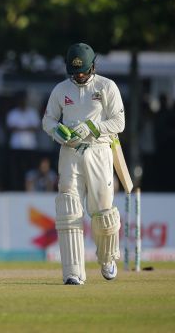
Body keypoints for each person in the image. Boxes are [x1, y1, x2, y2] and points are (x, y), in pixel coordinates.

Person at [42, 42, 125, 285]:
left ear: (93, 66)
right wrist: (58, 131)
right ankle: (73, 272)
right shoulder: (60, 90)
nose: (78, 75)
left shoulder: (106, 87)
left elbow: (119, 122)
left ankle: (107, 258)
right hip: (70, 153)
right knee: (69, 209)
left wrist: (91, 126)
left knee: (103, 212)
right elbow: (47, 120)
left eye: (83, 71)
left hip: (99, 151)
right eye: (74, 71)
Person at [6, 90, 40, 190]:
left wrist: (20, 128)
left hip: (30, 146)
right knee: (16, 170)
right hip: (16, 146)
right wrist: (27, 128)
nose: (22, 102)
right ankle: (16, 188)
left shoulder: (32, 112)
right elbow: (10, 128)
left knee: (30, 171)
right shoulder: (13, 113)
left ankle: (29, 188)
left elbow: (36, 128)